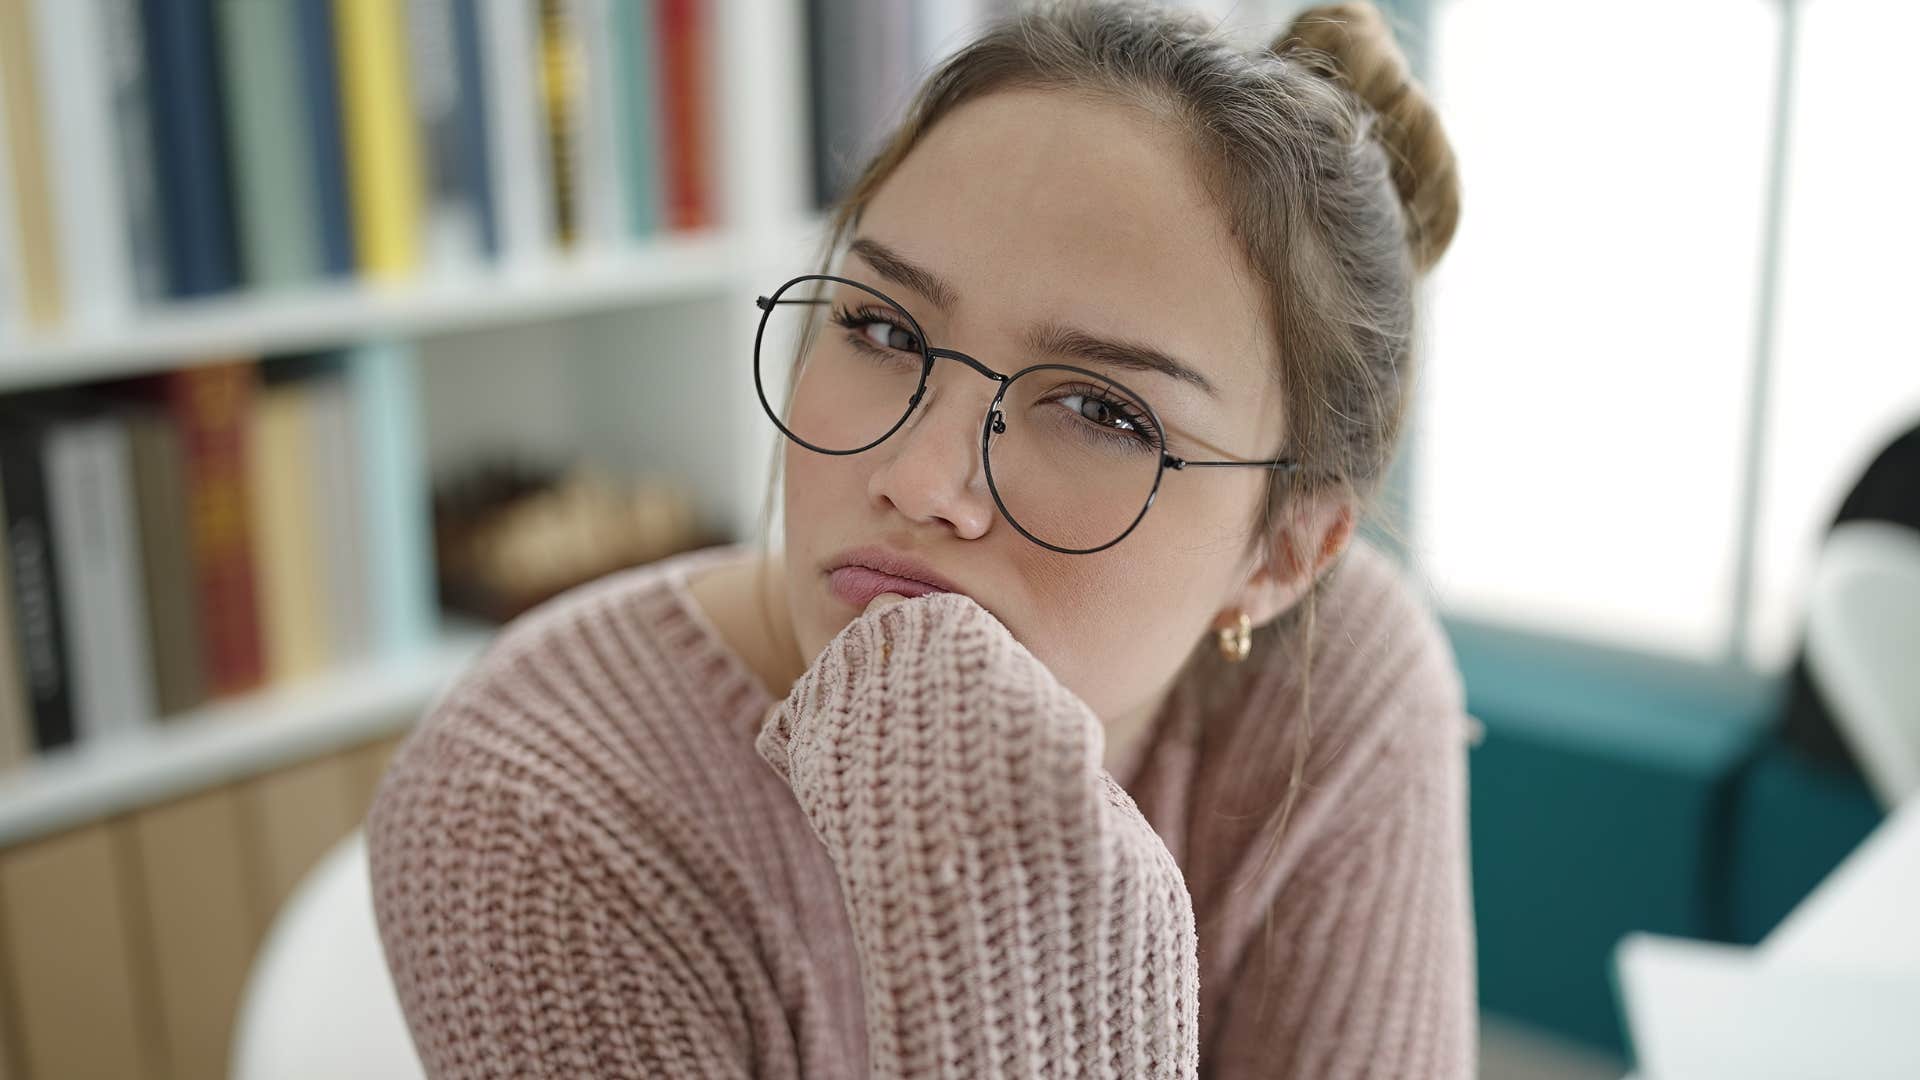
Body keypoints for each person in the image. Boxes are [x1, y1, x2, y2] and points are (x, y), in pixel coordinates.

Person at [367, 2, 1475, 1076]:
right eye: (883, 327)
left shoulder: (1338, 690)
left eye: (1102, 411)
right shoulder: (533, 819)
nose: (919, 479)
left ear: (1284, 556)